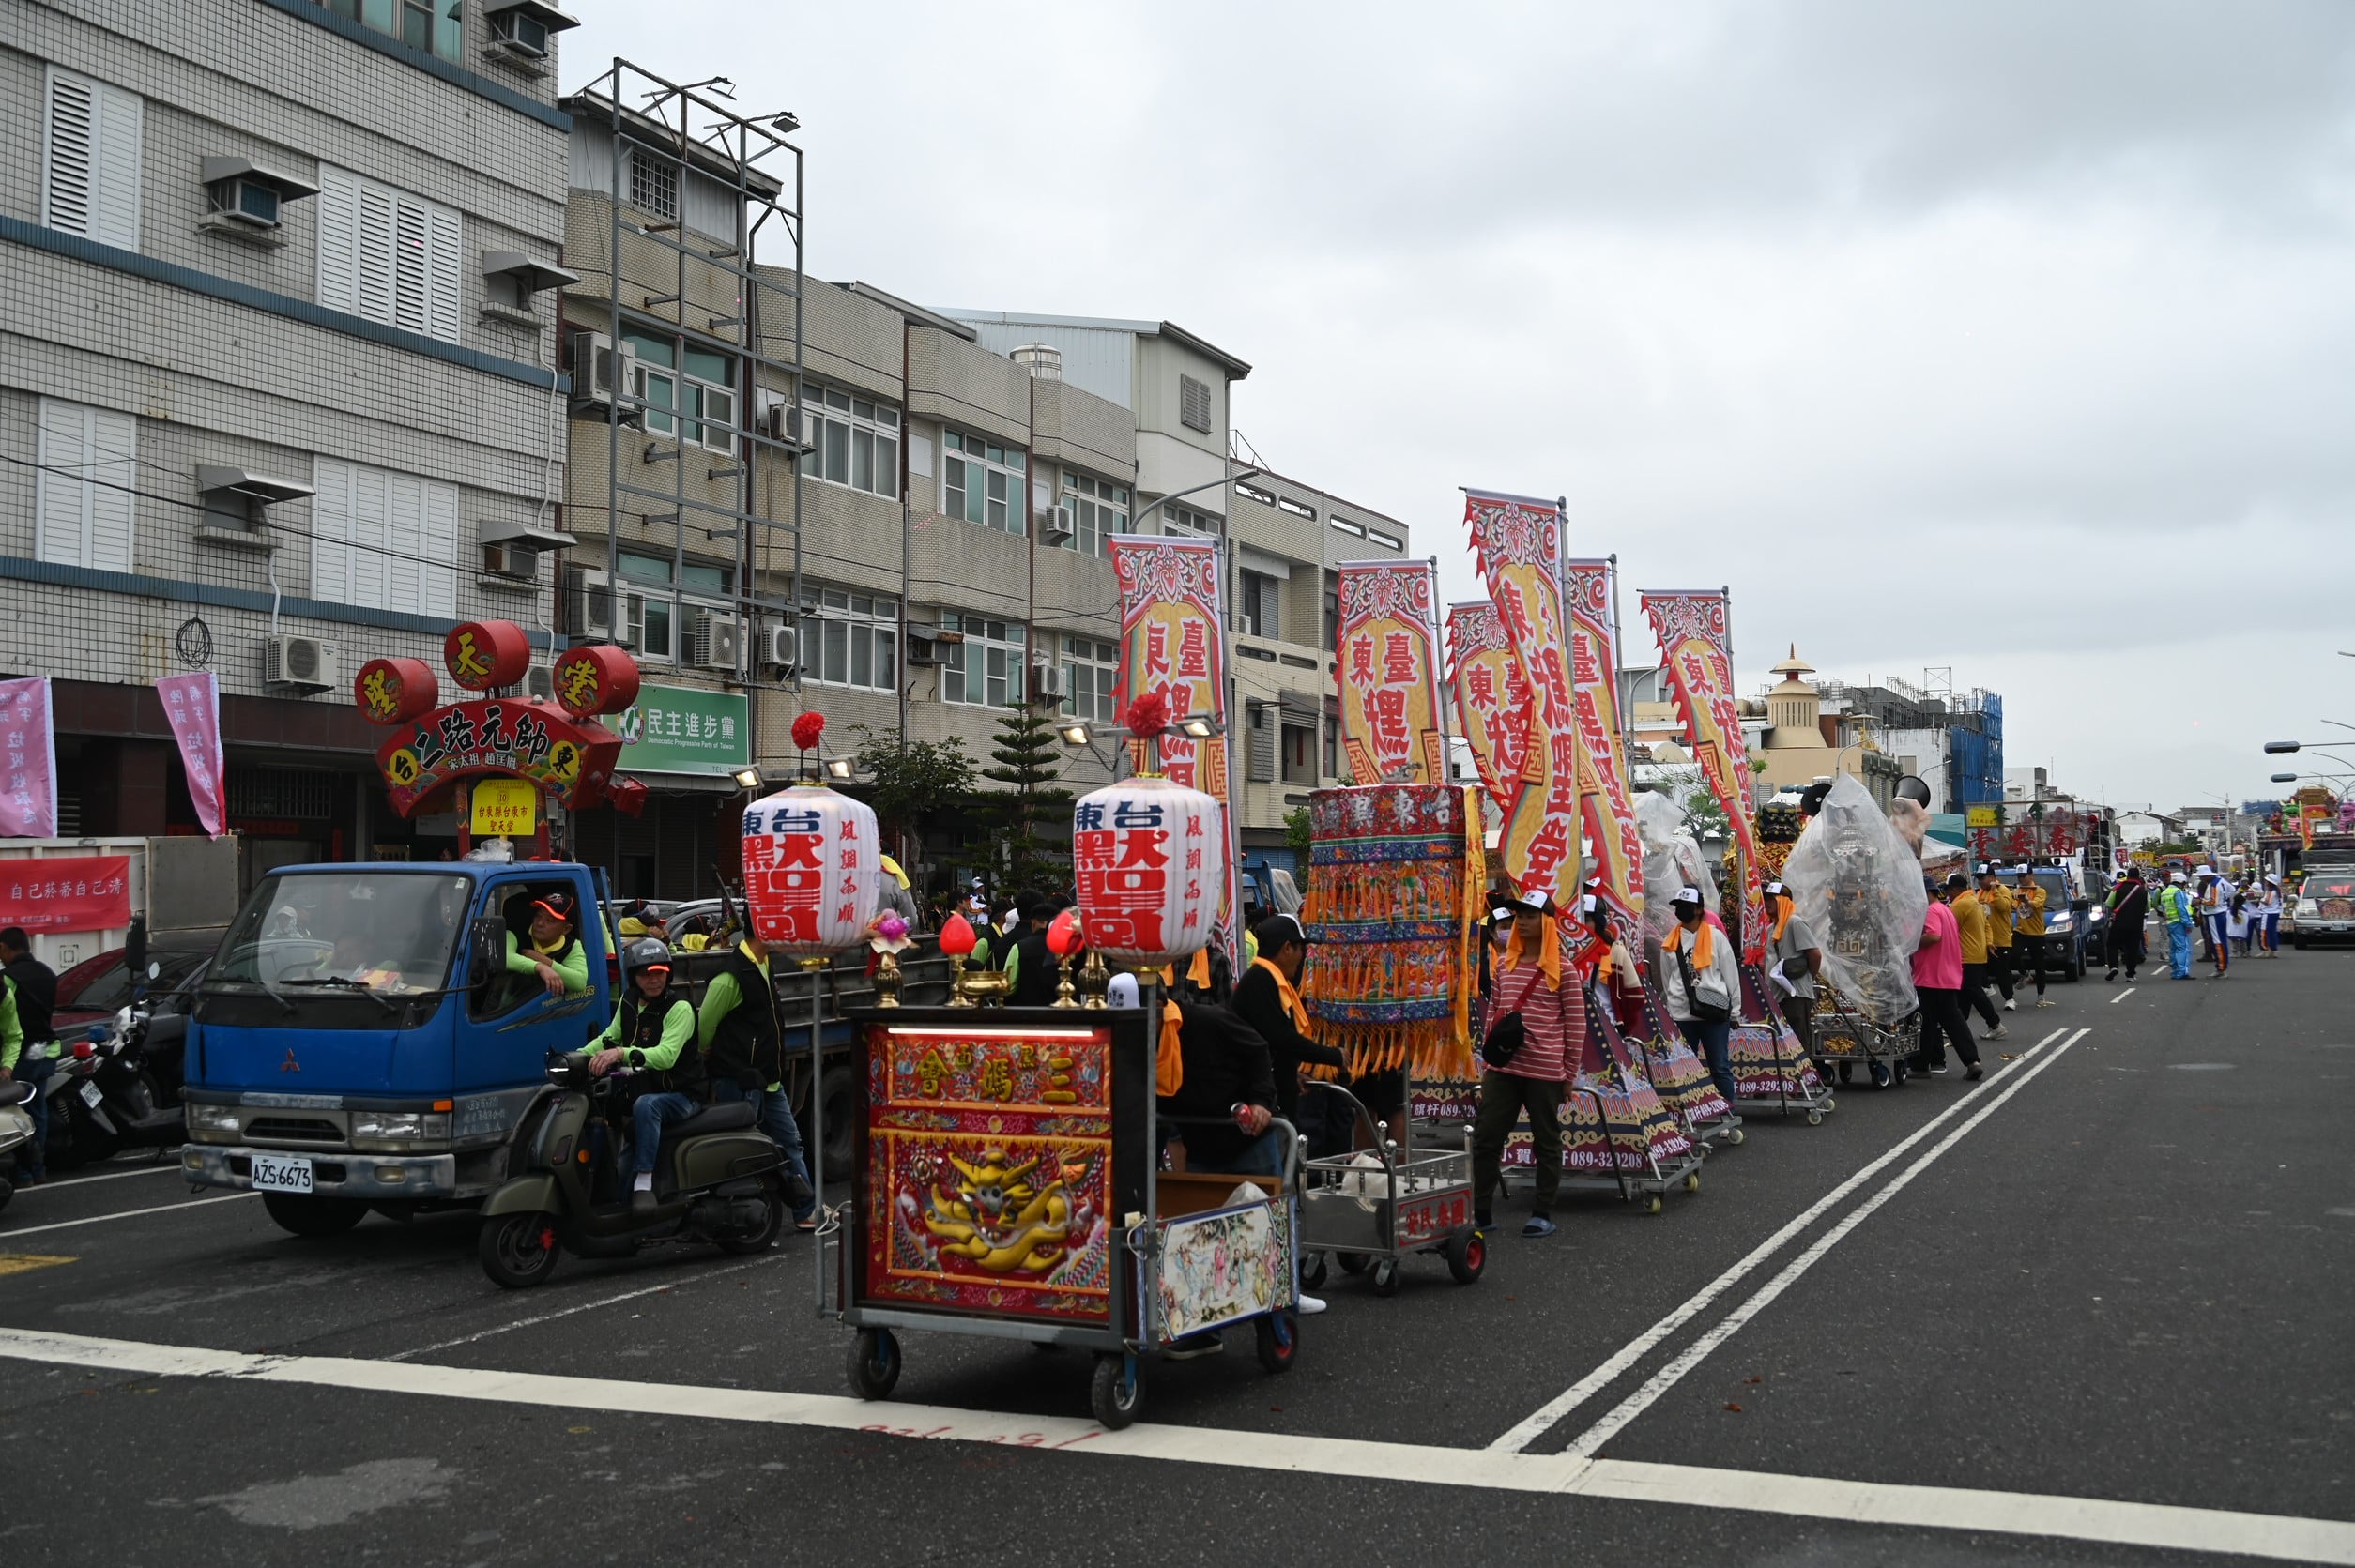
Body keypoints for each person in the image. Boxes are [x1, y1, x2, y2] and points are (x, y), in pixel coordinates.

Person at [1472, 891, 1581, 1238]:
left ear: (1547, 923)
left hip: (1545, 1071)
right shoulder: (1504, 964)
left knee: (1546, 1140)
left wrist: (1569, 1075)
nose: (1522, 922)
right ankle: (1480, 1212)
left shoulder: (1564, 969)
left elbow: (1576, 1024)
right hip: (1503, 1070)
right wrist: (1487, 1063)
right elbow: (1494, 1013)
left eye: (1531, 916)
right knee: (1486, 1138)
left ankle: (1542, 1212)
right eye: (1520, 916)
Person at [697, 929, 818, 1230]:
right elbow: (705, 1025)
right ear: (763, 929)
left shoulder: (764, 963)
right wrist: (709, 1051)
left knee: (790, 1143)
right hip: (738, 1079)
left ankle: (806, 1210)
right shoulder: (730, 977)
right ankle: (744, 1219)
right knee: (741, 1151)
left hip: (769, 1078)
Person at [587, 939, 709, 1211]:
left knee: (646, 1105)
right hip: (647, 1091)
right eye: (645, 974)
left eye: (659, 973)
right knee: (620, 1168)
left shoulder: (679, 1008)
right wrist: (578, 1057)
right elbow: (610, 1037)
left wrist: (620, 1053)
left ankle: (645, 1182)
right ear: (633, 977)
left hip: (683, 1095)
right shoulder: (629, 1000)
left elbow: (666, 1056)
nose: (654, 980)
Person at [1233, 914, 1351, 1159]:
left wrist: (1290, 1073)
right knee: (1278, 1170)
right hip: (1260, 1100)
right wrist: (1332, 1055)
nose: (1302, 958)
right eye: (1301, 949)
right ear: (1287, 948)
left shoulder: (1271, 980)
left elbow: (1273, 1042)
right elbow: (1281, 1037)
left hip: (1275, 1092)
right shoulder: (1260, 980)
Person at [1155, 996, 1285, 1176]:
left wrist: (1260, 1101)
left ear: (1158, 1007)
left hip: (1249, 1142)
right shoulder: (1135, 1043)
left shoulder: (1208, 1019)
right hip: (1200, 1149)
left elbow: (1257, 1050)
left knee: (1264, 1194)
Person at [1660, 884, 1743, 1117]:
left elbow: (1730, 975)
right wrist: (1670, 1008)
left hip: (1713, 1010)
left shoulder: (1716, 937)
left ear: (1698, 909)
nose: (1680, 911)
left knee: (1719, 1066)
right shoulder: (1670, 942)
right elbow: (1667, 979)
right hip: (1681, 1014)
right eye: (1677, 906)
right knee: (1684, 1070)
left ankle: (1727, 1114)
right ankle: (1691, 1115)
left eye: (1685, 906)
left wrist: (1735, 1011)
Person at [0, 927, 56, 1187]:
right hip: (46, 1050)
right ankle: (39, 1169)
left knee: (15, 1113)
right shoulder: (48, 973)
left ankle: (21, 1173)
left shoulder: (8, 980)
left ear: (4, 948)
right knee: (38, 1111)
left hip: (20, 1055)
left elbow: (11, 1028)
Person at [1912, 877, 1981, 1080]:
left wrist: (1911, 943)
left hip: (1930, 975)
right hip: (1948, 974)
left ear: (1926, 893)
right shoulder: (1945, 910)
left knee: (1924, 1021)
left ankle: (1920, 1065)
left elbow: (1934, 935)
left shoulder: (1931, 911)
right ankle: (1972, 1061)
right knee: (1953, 1021)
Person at [1762, 881, 1827, 1073]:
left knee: (1797, 1044)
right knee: (1781, 1045)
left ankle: (1803, 1083)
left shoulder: (1794, 922)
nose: (1767, 903)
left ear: (1784, 901)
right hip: (1777, 994)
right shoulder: (1771, 928)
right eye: (1766, 899)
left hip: (1795, 995)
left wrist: (1807, 978)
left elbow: (1815, 955)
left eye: (1772, 899)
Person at [1950, 872, 2007, 1039]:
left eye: (1948, 890)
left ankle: (1995, 1024)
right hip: (1976, 952)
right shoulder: (1974, 901)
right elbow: (1987, 926)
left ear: (1955, 889)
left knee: (1973, 991)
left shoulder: (1960, 904)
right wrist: (1988, 943)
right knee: (1965, 992)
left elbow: (1948, 927)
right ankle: (1958, 1025)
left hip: (1966, 954)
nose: (1947, 894)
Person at [505, 891, 590, 997]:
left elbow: (579, 982)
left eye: (550, 920)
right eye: (538, 916)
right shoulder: (515, 934)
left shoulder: (571, 945)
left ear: (566, 929)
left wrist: (544, 961)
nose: (540, 923)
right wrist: (540, 967)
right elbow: (505, 957)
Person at [2010, 866, 2055, 1009]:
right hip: (2021, 930)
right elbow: (2012, 905)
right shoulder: (2016, 890)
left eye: (2023, 876)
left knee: (2039, 965)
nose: (2020, 879)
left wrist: (2027, 900)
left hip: (2036, 933)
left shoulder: (2040, 891)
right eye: (2019, 876)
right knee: (2013, 954)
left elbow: (2037, 904)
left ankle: (2040, 996)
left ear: (2031, 876)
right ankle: (2024, 973)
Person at [1002, 901, 1060, 1008]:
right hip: (1059, 1011)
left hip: (1027, 1012)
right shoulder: (1064, 947)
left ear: (1033, 922)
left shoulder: (1019, 947)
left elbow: (1008, 986)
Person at [1979, 866, 2018, 1011]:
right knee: (1979, 966)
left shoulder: (2003, 890)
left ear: (1991, 878)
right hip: (1984, 938)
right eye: (1978, 878)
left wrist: (1995, 890)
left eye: (1982, 878)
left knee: (2002, 971)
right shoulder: (1981, 893)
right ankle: (1987, 986)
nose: (1980, 881)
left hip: (2000, 938)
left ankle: (2009, 999)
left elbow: (2004, 907)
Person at [2103, 866, 2149, 982]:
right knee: (2132, 949)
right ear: (2138, 877)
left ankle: (2113, 967)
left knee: (2112, 945)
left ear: (2128, 876)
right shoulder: (2143, 891)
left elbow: (2108, 904)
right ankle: (2130, 974)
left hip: (2119, 923)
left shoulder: (2118, 888)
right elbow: (2148, 908)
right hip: (2136, 925)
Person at [2159, 871, 2197, 978]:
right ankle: (2182, 972)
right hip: (2179, 922)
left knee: (2174, 947)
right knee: (2183, 948)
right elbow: (2182, 908)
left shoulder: (2165, 892)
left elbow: (2163, 909)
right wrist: (2188, 923)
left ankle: (2175, 970)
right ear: (2181, 882)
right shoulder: (2178, 892)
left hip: (2170, 922)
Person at [2196, 869, 2230, 978]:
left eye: (2202, 877)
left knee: (2217, 941)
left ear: (2207, 876)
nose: (2201, 879)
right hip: (2220, 912)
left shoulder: (2214, 885)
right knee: (2221, 940)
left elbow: (2212, 902)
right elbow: (2232, 890)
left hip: (2214, 915)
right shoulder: (2221, 881)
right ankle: (2222, 966)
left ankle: (2221, 968)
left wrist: (2200, 901)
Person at [2260, 875, 2285, 956]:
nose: (2266, 882)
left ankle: (2266, 950)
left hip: (2268, 913)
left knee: (2265, 932)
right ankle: (2273, 950)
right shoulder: (2277, 890)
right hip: (2275, 913)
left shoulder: (2271, 891)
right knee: (2272, 932)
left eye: (2267, 881)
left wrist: (2260, 899)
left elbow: (2267, 902)